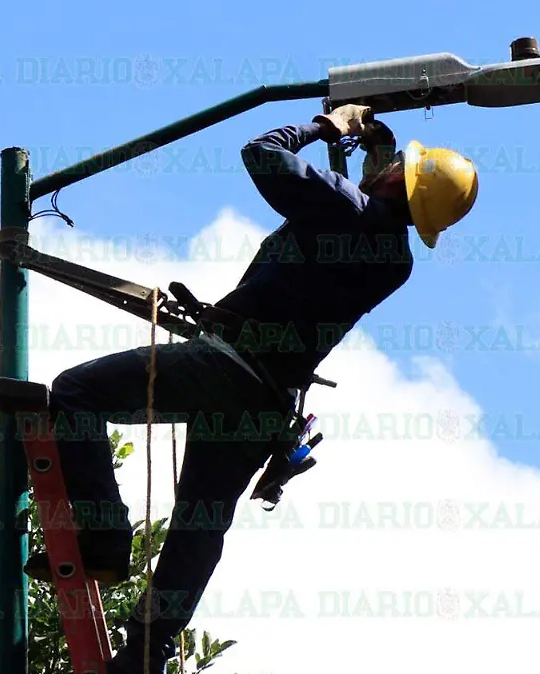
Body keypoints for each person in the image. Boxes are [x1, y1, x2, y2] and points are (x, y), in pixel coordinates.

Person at [26, 103, 479, 674]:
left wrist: (327, 127)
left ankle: (105, 541)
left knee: (74, 394)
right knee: (200, 524)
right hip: (267, 406)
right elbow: (362, 200)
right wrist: (370, 151)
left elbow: (261, 153)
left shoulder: (344, 208)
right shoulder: (396, 259)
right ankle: (148, 651)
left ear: (398, 180)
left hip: (225, 368)